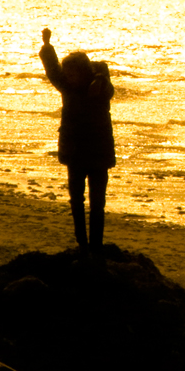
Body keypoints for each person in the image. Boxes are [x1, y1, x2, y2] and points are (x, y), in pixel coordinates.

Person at [39, 27, 116, 251]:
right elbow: (53, 70)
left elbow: (102, 67)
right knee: (76, 200)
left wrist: (100, 76)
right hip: (74, 153)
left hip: (98, 153)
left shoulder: (101, 91)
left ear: (84, 73)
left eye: (73, 74)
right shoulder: (67, 89)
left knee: (97, 204)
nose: (69, 78)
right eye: (68, 74)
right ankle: (82, 242)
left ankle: (96, 244)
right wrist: (47, 45)